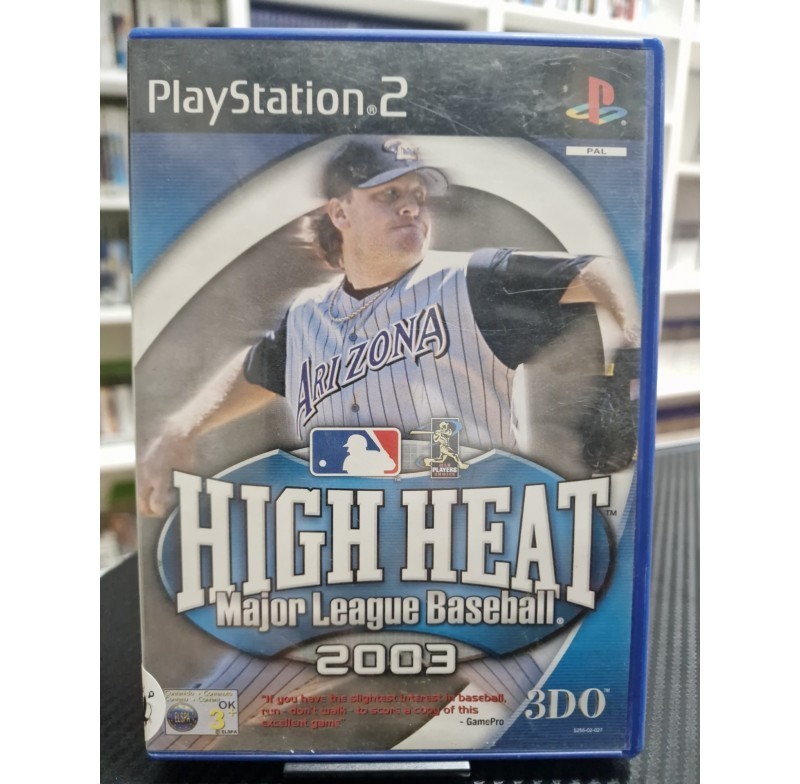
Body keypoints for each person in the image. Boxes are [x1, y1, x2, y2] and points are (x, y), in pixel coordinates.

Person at [138, 136, 640, 516]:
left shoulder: (472, 281)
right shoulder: (306, 318)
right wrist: (181, 430)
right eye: (389, 192)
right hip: (349, 564)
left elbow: (602, 273)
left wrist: (634, 353)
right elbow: (256, 371)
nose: (411, 206)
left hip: (468, 555)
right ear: (340, 212)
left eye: (418, 194)